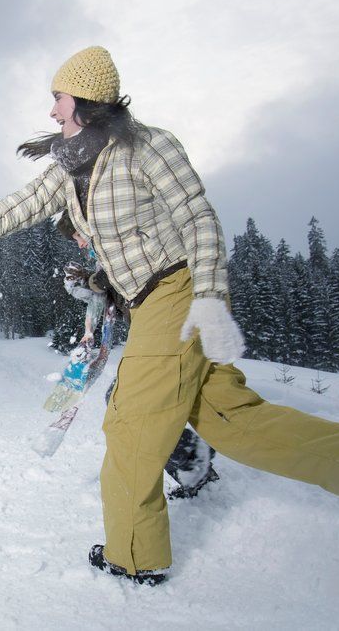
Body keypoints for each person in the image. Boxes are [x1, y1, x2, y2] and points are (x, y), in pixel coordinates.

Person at [0, 47, 339, 586]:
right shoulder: (69, 168)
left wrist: (208, 296)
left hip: (179, 295)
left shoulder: (148, 147)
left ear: (85, 99)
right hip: (152, 304)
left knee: (130, 423)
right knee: (233, 422)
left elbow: (199, 219)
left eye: (58, 98)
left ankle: (134, 557)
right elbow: (15, 208)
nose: (51, 111)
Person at [57, 212, 220, 500]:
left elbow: (124, 270)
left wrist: (94, 282)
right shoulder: (105, 252)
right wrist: (90, 304)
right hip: (166, 324)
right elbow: (113, 291)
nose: (80, 244)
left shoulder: (116, 238)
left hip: (170, 322)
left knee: (127, 402)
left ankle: (194, 459)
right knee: (138, 400)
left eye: (78, 236)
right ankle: (194, 458)